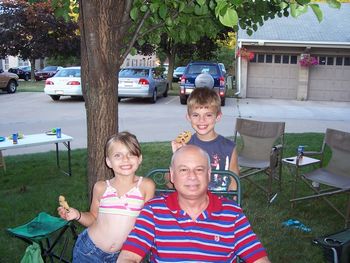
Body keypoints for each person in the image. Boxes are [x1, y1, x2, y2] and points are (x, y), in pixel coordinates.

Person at [117, 145, 271, 263]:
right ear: (172, 175)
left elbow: (258, 258)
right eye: (183, 170)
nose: (192, 177)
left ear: (209, 174)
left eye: (199, 170)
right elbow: (129, 256)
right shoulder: (154, 211)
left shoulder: (232, 214)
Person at [57, 131, 155, 262]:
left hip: (121, 256)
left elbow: (147, 224)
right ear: (109, 162)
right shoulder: (101, 187)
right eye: (118, 155)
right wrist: (77, 215)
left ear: (140, 158)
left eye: (131, 154)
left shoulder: (146, 186)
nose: (125, 159)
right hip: (88, 251)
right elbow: (93, 218)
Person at [172, 87, 239, 191]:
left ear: (218, 117)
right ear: (188, 117)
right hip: (191, 202)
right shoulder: (184, 145)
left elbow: (234, 184)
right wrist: (177, 155)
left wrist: (233, 204)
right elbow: (170, 183)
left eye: (208, 115)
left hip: (220, 203)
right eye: (195, 115)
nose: (201, 120)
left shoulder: (229, 147)